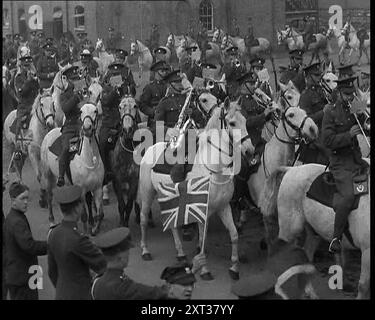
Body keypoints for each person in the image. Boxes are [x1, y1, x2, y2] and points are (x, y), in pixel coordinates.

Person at [322, 76, 369, 254]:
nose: (350, 97)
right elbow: (327, 140)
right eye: (347, 94)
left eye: (352, 94)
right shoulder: (330, 112)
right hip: (340, 162)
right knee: (349, 195)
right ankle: (336, 238)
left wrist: (365, 123)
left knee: (364, 192)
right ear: (339, 93)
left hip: (356, 159)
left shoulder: (355, 107)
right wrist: (348, 135)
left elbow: (366, 126)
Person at [91, 227, 204, 299]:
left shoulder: (98, 282)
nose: (129, 255)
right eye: (127, 252)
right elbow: (151, 293)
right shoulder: (121, 286)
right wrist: (174, 287)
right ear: (120, 257)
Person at [47, 185, 107, 300]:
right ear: (77, 208)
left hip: (61, 294)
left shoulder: (53, 234)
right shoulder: (79, 239)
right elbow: (102, 266)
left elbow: (52, 272)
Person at [4, 182, 47, 300]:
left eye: (27, 198)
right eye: (22, 198)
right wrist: (50, 244)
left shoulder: (15, 216)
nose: (26, 202)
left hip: (26, 274)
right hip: (22, 278)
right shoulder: (17, 221)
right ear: (13, 200)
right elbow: (29, 246)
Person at [56, 65, 84, 187]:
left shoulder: (86, 90)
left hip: (87, 124)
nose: (75, 81)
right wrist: (76, 97)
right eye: (72, 79)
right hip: (72, 126)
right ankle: (61, 176)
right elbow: (66, 108)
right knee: (66, 148)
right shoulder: (64, 95)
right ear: (66, 80)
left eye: (76, 78)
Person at [298, 62, 329, 165]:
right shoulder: (305, 96)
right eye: (316, 75)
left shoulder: (322, 90)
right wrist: (323, 112)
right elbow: (306, 120)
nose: (319, 77)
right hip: (316, 135)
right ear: (308, 76)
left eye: (320, 74)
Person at [14, 53, 39, 156]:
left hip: (34, 104)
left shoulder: (33, 76)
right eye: (25, 66)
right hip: (24, 106)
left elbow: (38, 89)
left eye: (28, 66)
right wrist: (28, 81)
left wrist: (35, 80)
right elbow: (21, 92)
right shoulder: (18, 78)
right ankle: (18, 150)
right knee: (19, 124)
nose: (27, 68)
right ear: (21, 66)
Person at [98, 80, 123, 184]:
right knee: (103, 145)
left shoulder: (119, 89)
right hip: (107, 125)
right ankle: (105, 172)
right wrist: (114, 89)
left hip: (120, 123)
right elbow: (106, 101)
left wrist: (123, 88)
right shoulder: (104, 91)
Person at [139, 60, 170, 134]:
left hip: (169, 120)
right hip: (155, 121)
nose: (165, 73)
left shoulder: (169, 87)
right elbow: (142, 105)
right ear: (156, 72)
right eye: (162, 71)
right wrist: (153, 112)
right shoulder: (149, 87)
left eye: (165, 71)